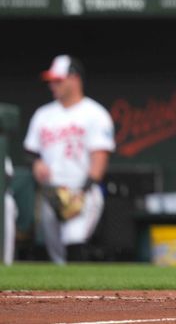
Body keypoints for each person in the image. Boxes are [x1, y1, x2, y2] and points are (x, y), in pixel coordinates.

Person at [24, 55, 115, 264]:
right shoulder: (43, 114)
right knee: (57, 255)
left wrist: (80, 193)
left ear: (74, 79)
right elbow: (30, 152)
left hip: (81, 191)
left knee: (73, 239)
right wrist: (36, 164)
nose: (53, 85)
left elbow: (100, 158)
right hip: (50, 192)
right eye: (51, 81)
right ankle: (65, 296)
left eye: (58, 80)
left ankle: (80, 295)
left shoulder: (94, 113)